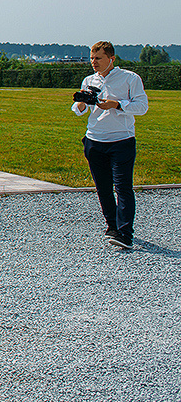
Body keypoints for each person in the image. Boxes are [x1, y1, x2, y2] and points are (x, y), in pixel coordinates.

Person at [72, 41, 149, 249]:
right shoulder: (89, 80)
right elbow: (77, 109)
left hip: (121, 140)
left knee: (123, 187)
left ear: (111, 59)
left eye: (98, 58)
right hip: (94, 139)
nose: (93, 62)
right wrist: (82, 102)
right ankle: (112, 226)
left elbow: (142, 106)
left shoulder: (130, 78)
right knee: (103, 188)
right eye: (91, 58)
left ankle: (125, 233)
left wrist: (117, 104)